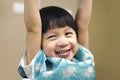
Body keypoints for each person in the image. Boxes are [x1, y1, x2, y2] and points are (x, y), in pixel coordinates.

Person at [18, 0, 96, 80]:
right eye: (52, 36)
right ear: (40, 42)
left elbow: (82, 26)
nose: (63, 43)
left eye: (68, 34)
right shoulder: (39, 65)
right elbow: (33, 29)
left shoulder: (82, 57)